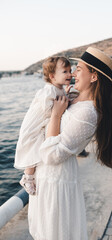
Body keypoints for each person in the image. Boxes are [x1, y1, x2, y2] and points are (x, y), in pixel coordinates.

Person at [28, 47, 112, 240]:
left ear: (94, 77)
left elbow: (51, 155)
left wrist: (55, 114)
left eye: (78, 69)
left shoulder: (88, 113)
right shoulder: (74, 100)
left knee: (54, 233)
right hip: (46, 177)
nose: (73, 74)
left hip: (57, 179)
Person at [14, 56, 72, 195]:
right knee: (32, 147)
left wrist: (66, 97)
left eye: (70, 70)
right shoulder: (49, 91)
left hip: (43, 122)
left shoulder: (59, 89)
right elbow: (49, 109)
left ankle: (29, 176)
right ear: (52, 76)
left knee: (38, 146)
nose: (70, 74)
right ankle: (27, 177)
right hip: (34, 124)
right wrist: (65, 104)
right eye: (65, 71)